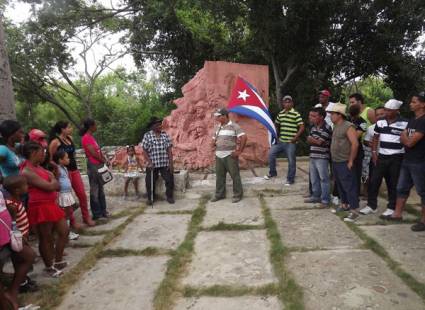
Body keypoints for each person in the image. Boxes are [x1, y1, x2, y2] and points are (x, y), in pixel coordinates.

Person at [20, 142, 68, 277]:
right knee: (46, 238)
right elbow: (50, 186)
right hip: (40, 206)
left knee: (64, 231)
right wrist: (52, 180)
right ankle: (49, 266)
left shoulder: (39, 167)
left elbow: (56, 185)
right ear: (33, 153)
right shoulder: (27, 171)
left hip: (50, 204)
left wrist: (53, 180)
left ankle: (57, 261)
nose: (44, 155)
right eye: (42, 152)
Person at [360, 100, 407, 217]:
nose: (386, 112)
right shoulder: (380, 122)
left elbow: (408, 140)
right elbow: (375, 137)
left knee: (393, 182)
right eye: (385, 110)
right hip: (381, 156)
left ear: (397, 111)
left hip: (397, 157)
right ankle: (371, 205)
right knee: (374, 181)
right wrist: (374, 153)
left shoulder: (405, 123)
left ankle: (391, 207)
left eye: (389, 110)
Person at [386, 92, 425, 232]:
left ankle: (423, 221)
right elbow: (405, 137)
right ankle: (397, 214)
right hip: (407, 160)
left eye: (414, 102)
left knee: (423, 191)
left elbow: (409, 141)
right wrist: (405, 138)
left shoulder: (423, 121)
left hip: (420, 162)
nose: (411, 104)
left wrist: (405, 138)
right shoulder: (413, 120)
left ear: (422, 104)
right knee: (401, 188)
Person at [49, 121, 95, 227]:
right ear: (62, 129)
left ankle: (86, 217)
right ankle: (72, 221)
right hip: (64, 173)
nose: (71, 129)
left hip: (74, 170)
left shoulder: (70, 138)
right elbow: (50, 159)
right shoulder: (55, 142)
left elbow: (72, 154)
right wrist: (57, 168)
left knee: (82, 195)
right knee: (66, 197)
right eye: (69, 127)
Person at [2, 176, 38, 294]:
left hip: (22, 236)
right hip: (17, 238)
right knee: (30, 257)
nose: (27, 187)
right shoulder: (11, 204)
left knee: (19, 260)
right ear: (17, 190)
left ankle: (23, 282)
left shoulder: (17, 199)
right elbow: (12, 224)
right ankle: (14, 289)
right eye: (25, 185)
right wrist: (21, 237)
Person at [327, 103, 360, 222]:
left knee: (349, 186)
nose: (330, 116)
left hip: (345, 161)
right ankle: (344, 204)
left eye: (332, 114)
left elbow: (355, 143)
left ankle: (354, 211)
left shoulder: (348, 126)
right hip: (336, 161)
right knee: (340, 185)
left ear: (339, 115)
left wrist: (351, 160)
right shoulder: (336, 126)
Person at [264, 95, 305, 185]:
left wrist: (295, 138)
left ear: (292, 103)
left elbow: (302, 127)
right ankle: (273, 173)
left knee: (291, 160)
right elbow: (276, 124)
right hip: (281, 141)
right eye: (285, 102)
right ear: (283, 104)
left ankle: (290, 179)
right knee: (271, 154)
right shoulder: (281, 113)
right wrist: (276, 135)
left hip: (291, 142)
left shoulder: (296, 114)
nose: (287, 103)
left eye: (289, 102)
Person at [210, 108, 247, 203]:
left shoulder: (234, 126)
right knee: (219, 176)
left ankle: (237, 195)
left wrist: (239, 151)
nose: (217, 118)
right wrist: (213, 143)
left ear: (224, 116)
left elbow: (243, 137)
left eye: (219, 116)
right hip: (219, 155)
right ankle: (219, 194)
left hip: (230, 155)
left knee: (235, 176)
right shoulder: (218, 127)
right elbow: (213, 140)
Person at [141, 117, 175, 204]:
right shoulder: (147, 136)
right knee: (150, 181)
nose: (160, 126)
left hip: (164, 163)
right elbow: (144, 151)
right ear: (152, 126)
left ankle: (169, 197)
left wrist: (171, 164)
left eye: (160, 124)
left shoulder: (165, 135)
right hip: (152, 164)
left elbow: (169, 150)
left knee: (169, 179)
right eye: (158, 124)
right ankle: (150, 198)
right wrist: (149, 162)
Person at [80, 118, 109, 220]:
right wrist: (103, 160)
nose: (96, 127)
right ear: (90, 126)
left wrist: (103, 159)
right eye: (95, 125)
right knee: (95, 189)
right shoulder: (86, 138)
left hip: (98, 164)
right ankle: (97, 213)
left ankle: (103, 210)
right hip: (93, 165)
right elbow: (92, 153)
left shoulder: (91, 137)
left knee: (100, 187)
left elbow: (97, 150)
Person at [304, 107, 332, 208]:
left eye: (313, 116)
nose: (311, 118)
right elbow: (309, 140)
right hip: (313, 156)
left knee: (324, 179)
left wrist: (312, 139)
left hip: (322, 157)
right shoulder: (313, 127)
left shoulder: (327, 128)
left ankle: (325, 200)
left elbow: (320, 142)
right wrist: (313, 139)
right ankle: (316, 196)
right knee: (314, 178)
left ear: (321, 117)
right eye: (310, 116)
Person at [53, 150, 80, 241]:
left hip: (67, 193)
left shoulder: (64, 168)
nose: (69, 159)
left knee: (68, 212)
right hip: (62, 194)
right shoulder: (57, 169)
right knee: (65, 213)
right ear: (60, 160)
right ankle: (64, 232)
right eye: (67, 158)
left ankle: (66, 231)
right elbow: (56, 181)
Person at [362, 107, 386, 199]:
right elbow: (365, 141)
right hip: (373, 156)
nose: (379, 116)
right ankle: (367, 194)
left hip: (388, 157)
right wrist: (369, 143)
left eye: (382, 114)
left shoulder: (392, 127)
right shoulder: (371, 128)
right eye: (377, 115)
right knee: (369, 176)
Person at [348, 104, 367, 197]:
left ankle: (355, 194)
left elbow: (356, 136)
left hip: (357, 151)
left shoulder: (362, 122)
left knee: (356, 173)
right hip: (345, 150)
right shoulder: (346, 119)